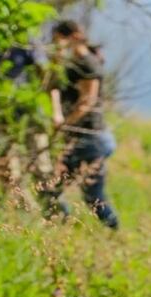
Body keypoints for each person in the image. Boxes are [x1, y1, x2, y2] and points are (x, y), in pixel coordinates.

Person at [44, 20, 120, 229]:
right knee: (84, 194)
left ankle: (111, 231)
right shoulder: (72, 63)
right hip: (83, 137)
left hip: (89, 138)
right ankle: (67, 227)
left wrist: (65, 125)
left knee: (81, 194)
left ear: (72, 37)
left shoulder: (87, 63)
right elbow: (53, 87)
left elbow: (87, 102)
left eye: (59, 40)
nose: (57, 45)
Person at [0, 45, 54, 198]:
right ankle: (21, 210)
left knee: (40, 167)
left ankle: (53, 209)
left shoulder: (23, 42)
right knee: (6, 170)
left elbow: (43, 70)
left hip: (23, 112)